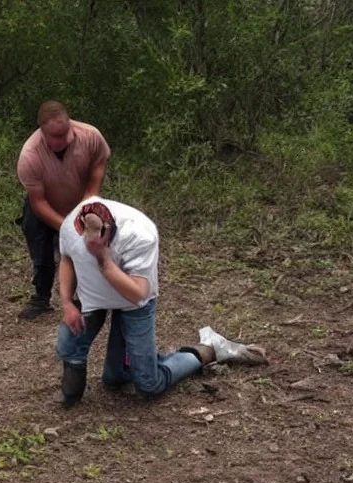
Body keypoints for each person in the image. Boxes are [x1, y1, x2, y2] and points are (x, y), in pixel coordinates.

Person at [56, 198, 268, 407]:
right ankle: (132, 364)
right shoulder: (70, 228)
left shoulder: (140, 236)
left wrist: (102, 258)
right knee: (112, 376)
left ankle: (210, 348)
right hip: (95, 296)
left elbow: (138, 293)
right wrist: (67, 302)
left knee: (148, 384)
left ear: (110, 231)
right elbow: (67, 259)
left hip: (133, 301)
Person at [16, 101, 111, 319]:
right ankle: (41, 299)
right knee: (41, 252)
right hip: (44, 206)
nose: (63, 139)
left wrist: (90, 201)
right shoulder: (30, 154)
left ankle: (85, 298)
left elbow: (98, 165)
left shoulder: (90, 136)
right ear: (42, 132)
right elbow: (38, 202)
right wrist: (67, 226)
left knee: (86, 247)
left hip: (80, 202)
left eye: (65, 133)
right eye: (55, 136)